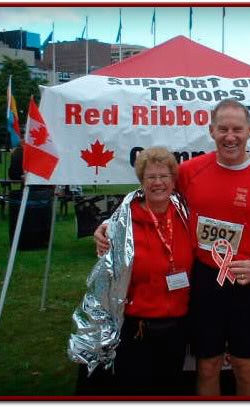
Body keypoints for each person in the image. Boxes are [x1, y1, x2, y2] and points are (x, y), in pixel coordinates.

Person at [94, 99, 250, 396]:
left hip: (247, 285)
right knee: (207, 366)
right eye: (223, 129)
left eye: (237, 129)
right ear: (211, 130)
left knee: (247, 368)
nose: (230, 136)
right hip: (204, 282)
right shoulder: (189, 171)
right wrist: (109, 223)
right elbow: (152, 196)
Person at [69, 147, 194, 396]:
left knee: (169, 388)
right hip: (138, 328)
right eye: (151, 177)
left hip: (177, 325)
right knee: (136, 389)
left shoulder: (185, 214)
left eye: (164, 176)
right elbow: (106, 279)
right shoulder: (123, 222)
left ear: (173, 180)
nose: (158, 183)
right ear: (141, 181)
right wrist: (103, 228)